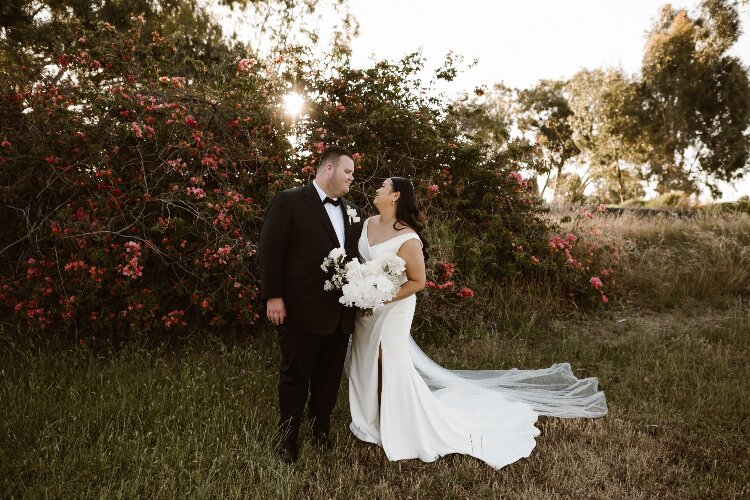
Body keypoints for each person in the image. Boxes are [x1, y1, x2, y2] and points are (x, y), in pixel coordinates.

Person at [348, 177, 607, 470]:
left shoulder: (408, 238)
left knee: (389, 360)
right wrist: (360, 292)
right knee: (367, 359)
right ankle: (371, 416)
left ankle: (398, 422)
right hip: (364, 307)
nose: (376, 190)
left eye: (382, 187)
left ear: (395, 195)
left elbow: (418, 282)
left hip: (392, 307)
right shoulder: (367, 224)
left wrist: (381, 298)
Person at [259, 146, 362, 464]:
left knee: (328, 377)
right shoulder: (290, 200)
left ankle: (321, 431)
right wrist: (273, 295)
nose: (351, 179)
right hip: (300, 309)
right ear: (328, 169)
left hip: (341, 311)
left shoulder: (352, 210)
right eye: (348, 172)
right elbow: (270, 249)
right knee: (295, 376)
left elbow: (355, 258)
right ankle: (287, 439)